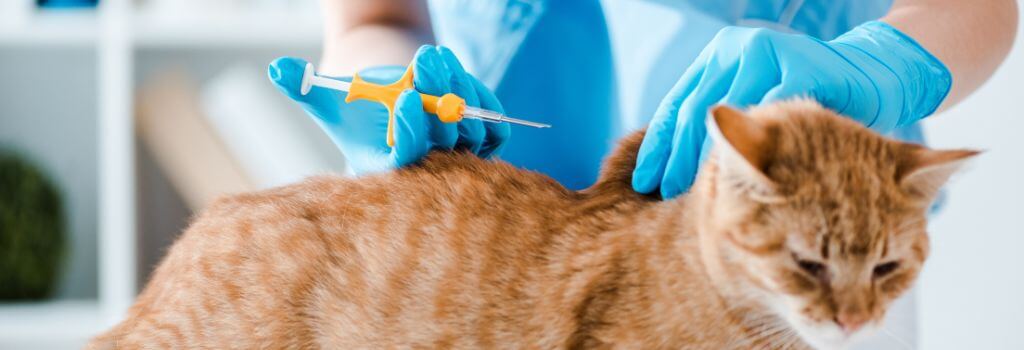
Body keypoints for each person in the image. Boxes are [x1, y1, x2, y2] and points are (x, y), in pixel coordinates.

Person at [268, 0, 1018, 348]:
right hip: (501, 260)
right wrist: (382, 76)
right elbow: (374, 13)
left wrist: (889, 65)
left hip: (808, 258)